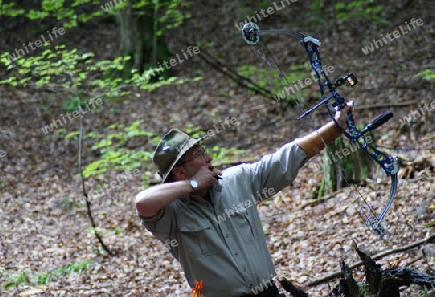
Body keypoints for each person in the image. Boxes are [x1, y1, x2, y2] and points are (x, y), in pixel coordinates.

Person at [135, 105, 352, 297]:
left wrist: (334, 128)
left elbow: (283, 160)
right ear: (180, 171)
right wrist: (193, 185)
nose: (208, 158)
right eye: (199, 154)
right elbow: (142, 202)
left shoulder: (235, 180)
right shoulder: (171, 213)